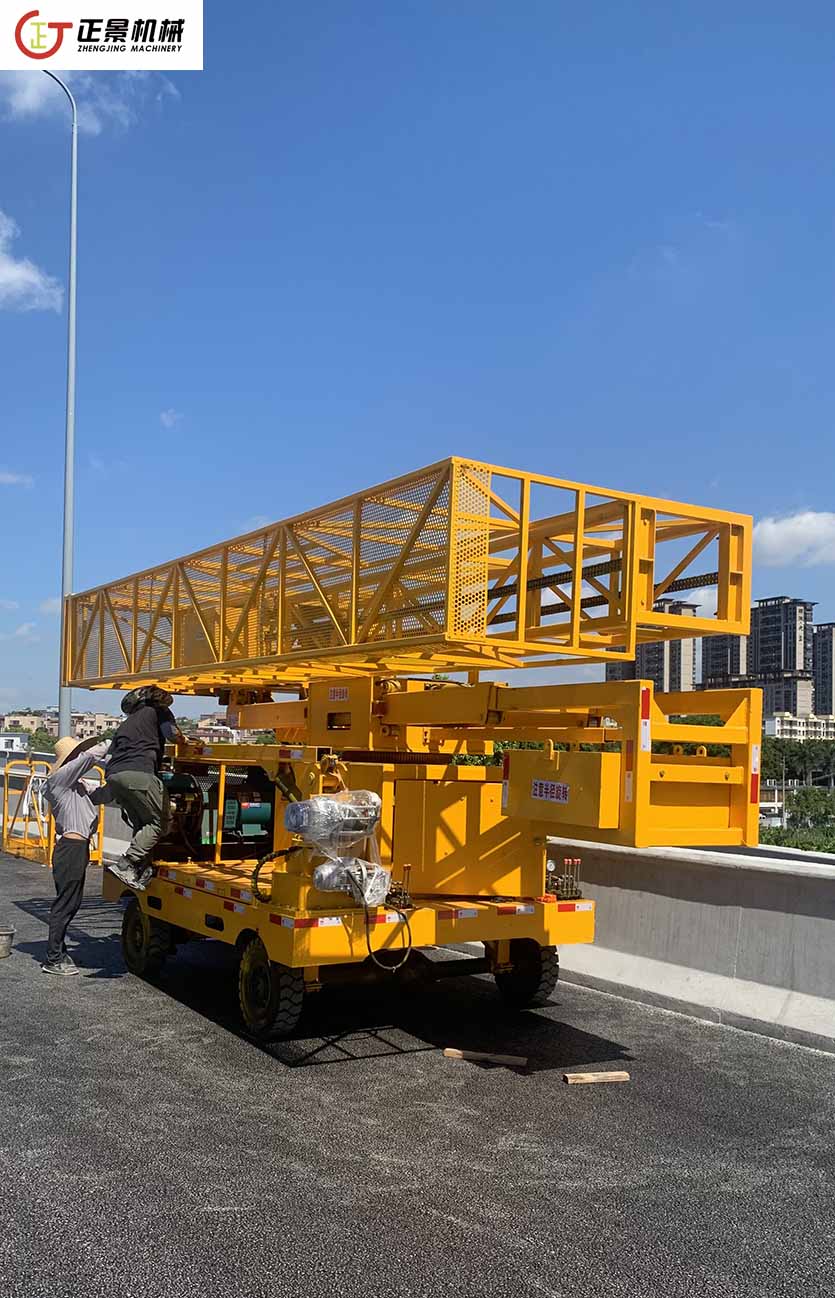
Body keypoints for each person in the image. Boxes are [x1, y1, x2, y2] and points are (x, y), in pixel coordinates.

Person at [105, 686, 200, 892]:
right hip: (139, 773)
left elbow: (113, 751)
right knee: (160, 822)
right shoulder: (158, 711)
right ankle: (127, 864)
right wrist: (185, 740)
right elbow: (172, 734)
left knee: (143, 823)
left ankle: (141, 867)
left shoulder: (127, 723)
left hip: (114, 776)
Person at [41, 735, 110, 976]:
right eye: (74, 756)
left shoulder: (77, 785)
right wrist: (113, 742)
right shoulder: (57, 781)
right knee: (65, 904)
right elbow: (89, 758)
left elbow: (103, 795)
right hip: (70, 849)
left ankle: (58, 952)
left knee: (72, 902)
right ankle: (53, 958)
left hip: (78, 849)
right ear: (69, 760)